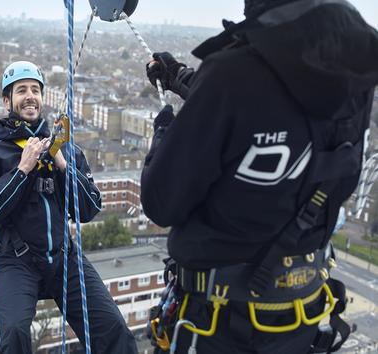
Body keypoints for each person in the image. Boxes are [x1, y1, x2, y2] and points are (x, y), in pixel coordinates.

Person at [141, 1, 378, 353]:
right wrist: (178, 75)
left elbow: (161, 202)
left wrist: (164, 130)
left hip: (218, 323)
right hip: (301, 318)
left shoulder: (233, 72)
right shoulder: (353, 67)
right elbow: (270, 113)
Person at [0, 61, 137, 353]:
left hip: (64, 258)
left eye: (35, 90)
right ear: (7, 101)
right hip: (16, 261)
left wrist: (62, 164)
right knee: (14, 335)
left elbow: (88, 209)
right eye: (21, 90)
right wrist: (22, 169)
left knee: (114, 328)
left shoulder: (67, 150)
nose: (30, 96)